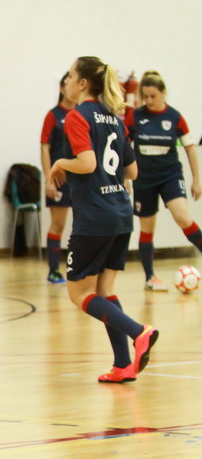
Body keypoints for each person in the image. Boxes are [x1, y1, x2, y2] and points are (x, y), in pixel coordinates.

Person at [49, 56, 157, 384]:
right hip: (121, 213)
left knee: (78, 293)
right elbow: (132, 171)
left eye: (70, 77)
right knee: (105, 289)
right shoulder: (114, 118)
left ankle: (139, 332)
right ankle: (123, 364)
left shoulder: (76, 116)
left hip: (95, 217)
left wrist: (60, 163)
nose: (66, 82)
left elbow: (88, 163)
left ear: (83, 83)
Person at [125, 70, 202, 291]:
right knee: (147, 227)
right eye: (145, 96)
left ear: (163, 93)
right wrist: (125, 177)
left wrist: (196, 180)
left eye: (153, 96)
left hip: (170, 175)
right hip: (143, 178)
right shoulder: (135, 116)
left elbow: (190, 149)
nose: (149, 101)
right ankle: (150, 278)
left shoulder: (175, 117)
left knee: (183, 216)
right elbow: (123, 147)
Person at [39, 72, 74, 284]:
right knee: (58, 224)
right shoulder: (53, 115)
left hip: (80, 178)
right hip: (60, 179)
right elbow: (45, 148)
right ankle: (53, 271)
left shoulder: (82, 114)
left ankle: (79, 270)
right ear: (62, 88)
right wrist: (48, 179)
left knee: (82, 226)